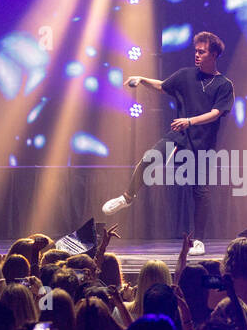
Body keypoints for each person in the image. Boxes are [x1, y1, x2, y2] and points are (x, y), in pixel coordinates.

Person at [101, 32, 235, 257]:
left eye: (201, 52)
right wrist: (142, 80)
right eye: (196, 51)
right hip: (178, 136)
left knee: (200, 191)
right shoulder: (185, 76)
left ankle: (199, 240)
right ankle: (127, 197)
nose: (197, 55)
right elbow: (163, 86)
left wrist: (190, 120)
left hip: (203, 144)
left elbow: (216, 113)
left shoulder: (224, 85)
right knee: (148, 160)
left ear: (213, 54)